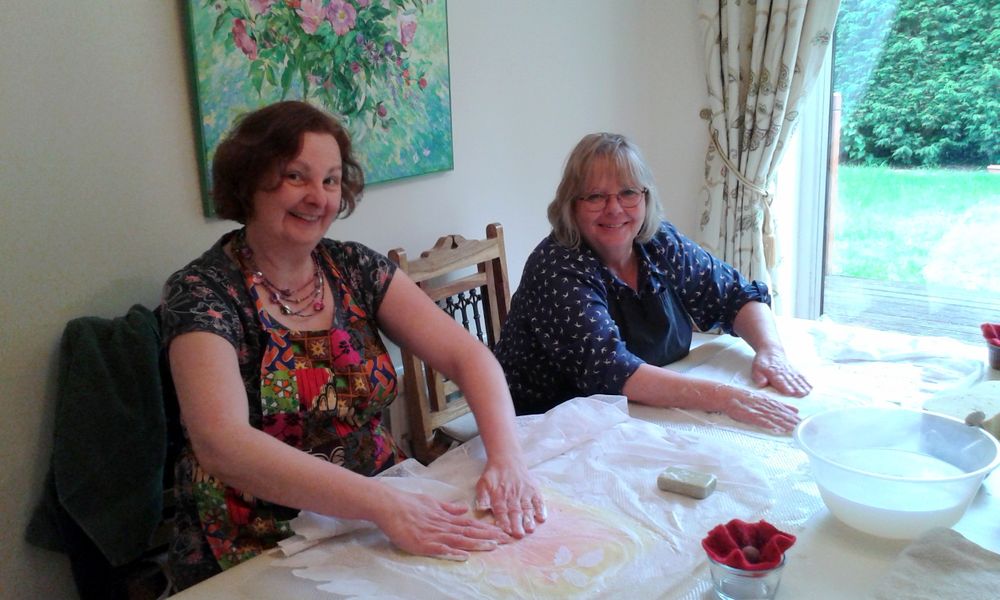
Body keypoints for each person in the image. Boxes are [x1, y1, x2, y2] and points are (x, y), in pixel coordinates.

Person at [160, 100, 544, 589]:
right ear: (250, 180)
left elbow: (468, 356)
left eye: (331, 180)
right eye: (295, 176)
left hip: (383, 501)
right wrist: (381, 505)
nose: (317, 197)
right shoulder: (203, 291)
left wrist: (507, 459)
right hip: (259, 534)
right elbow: (223, 444)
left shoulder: (354, 268)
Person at [495, 132, 810, 432]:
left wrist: (770, 351)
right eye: (595, 196)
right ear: (571, 206)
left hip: (637, 415)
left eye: (628, 192)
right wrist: (726, 398)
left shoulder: (658, 242)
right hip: (548, 428)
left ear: (645, 198)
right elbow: (613, 372)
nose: (615, 208)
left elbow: (734, 294)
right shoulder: (556, 268)